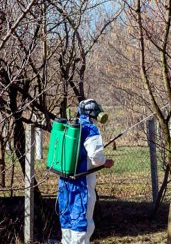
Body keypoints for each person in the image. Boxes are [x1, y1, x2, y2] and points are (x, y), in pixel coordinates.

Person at [58, 99, 114, 243]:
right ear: (95, 113)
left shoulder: (69, 127)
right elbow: (96, 158)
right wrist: (105, 162)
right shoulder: (90, 129)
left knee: (67, 220)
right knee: (82, 222)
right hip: (82, 183)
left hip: (64, 181)